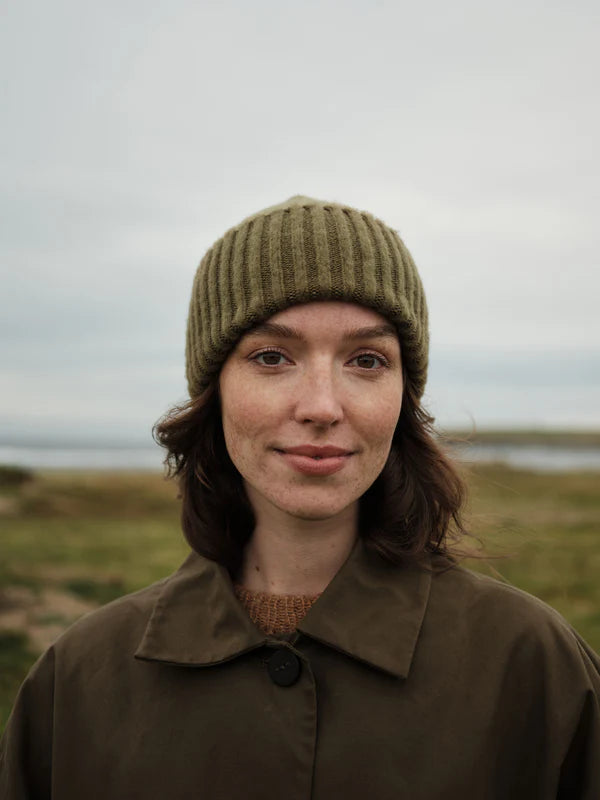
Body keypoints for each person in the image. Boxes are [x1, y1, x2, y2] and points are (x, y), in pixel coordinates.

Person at [1, 195, 599, 798]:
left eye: (366, 360)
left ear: (403, 397)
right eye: (271, 357)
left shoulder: (536, 668)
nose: (321, 406)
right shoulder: (76, 681)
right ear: (215, 388)